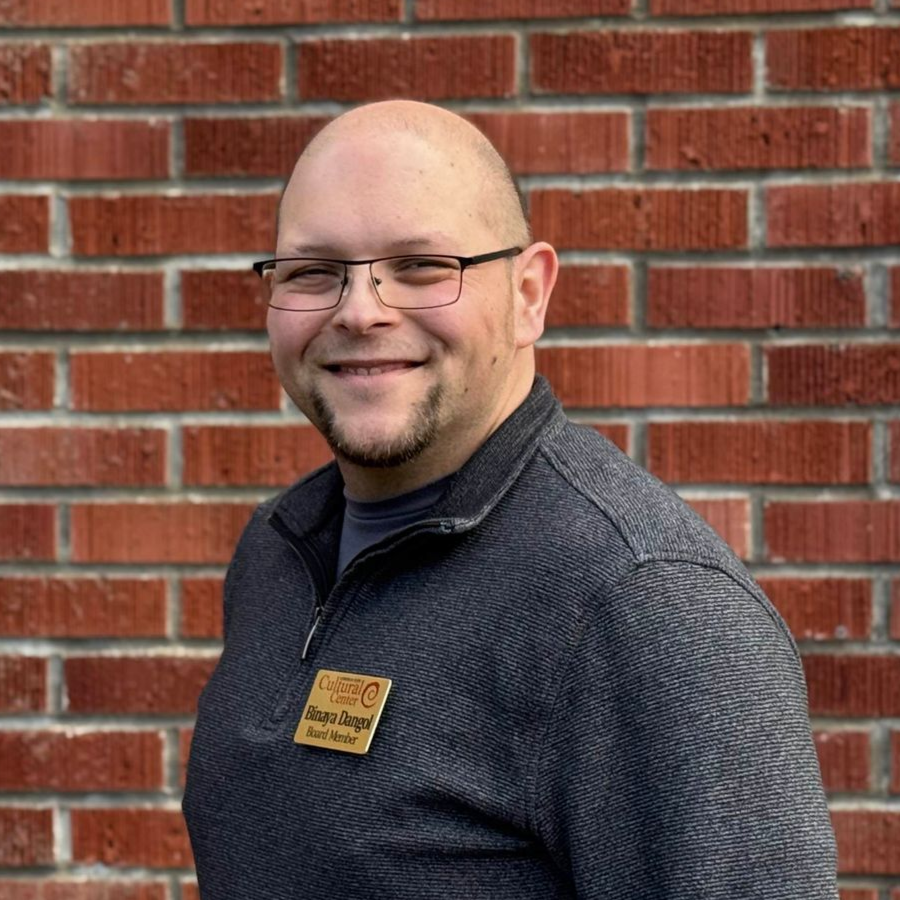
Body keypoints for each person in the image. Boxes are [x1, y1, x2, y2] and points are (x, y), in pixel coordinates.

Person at [182, 100, 839, 899]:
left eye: (422, 265)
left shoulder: (645, 605)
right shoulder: (279, 549)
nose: (359, 311)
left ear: (530, 294)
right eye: (313, 272)